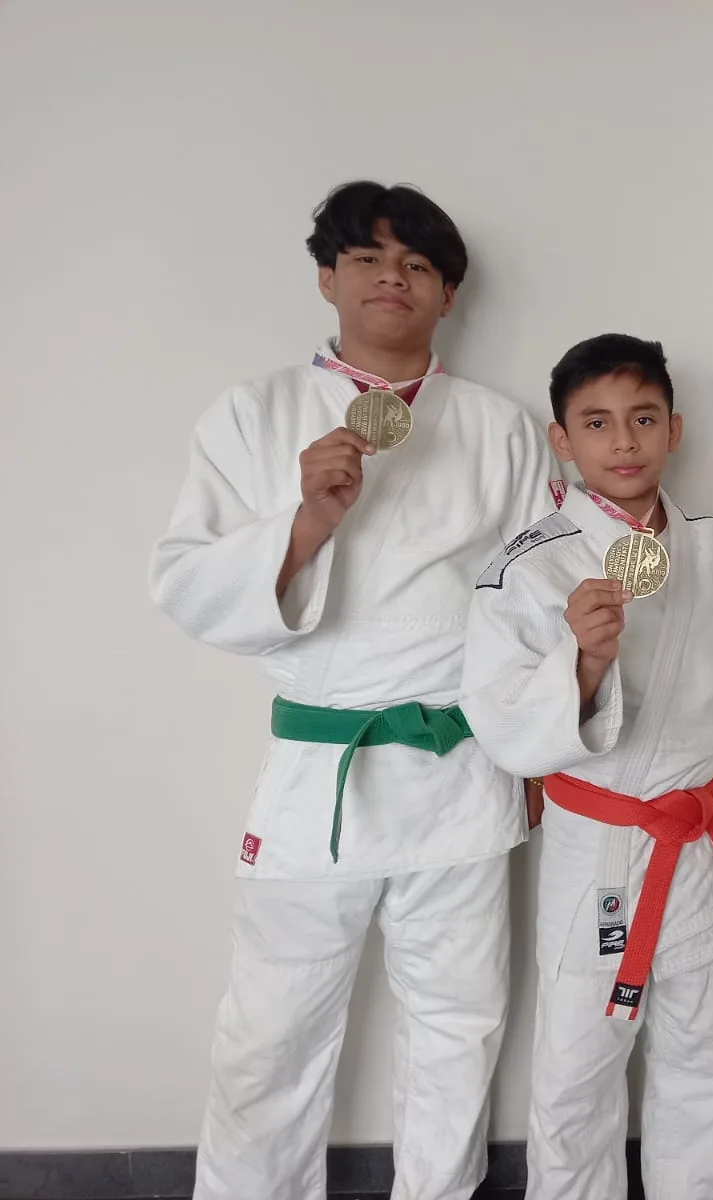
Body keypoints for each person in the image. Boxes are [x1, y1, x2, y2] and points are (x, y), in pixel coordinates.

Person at [149, 181, 556, 1200]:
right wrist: (305, 523)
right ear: (328, 279)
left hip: (459, 768)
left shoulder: (501, 429)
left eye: (417, 264)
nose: (392, 278)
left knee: (458, 1028)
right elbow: (185, 583)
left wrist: (535, 746)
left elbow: (533, 600)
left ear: (448, 295)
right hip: (317, 768)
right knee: (270, 1035)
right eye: (368, 259)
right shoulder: (253, 415)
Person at [460, 333, 713, 1200]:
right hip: (599, 846)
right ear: (562, 439)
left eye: (643, 419)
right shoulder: (527, 566)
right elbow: (499, 723)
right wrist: (584, 664)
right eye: (597, 422)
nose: (624, 441)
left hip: (703, 842)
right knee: (577, 1072)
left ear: (674, 429)